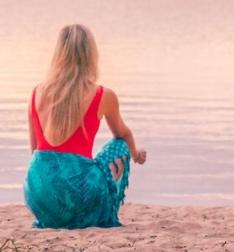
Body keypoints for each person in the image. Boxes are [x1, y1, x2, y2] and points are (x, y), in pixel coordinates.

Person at [24, 24, 147, 228]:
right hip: (79, 193)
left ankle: (60, 212)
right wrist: (135, 154)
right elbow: (123, 134)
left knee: (51, 166)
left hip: (38, 195)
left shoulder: (36, 92)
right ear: (91, 54)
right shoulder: (103, 95)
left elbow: (35, 151)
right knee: (120, 146)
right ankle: (105, 213)